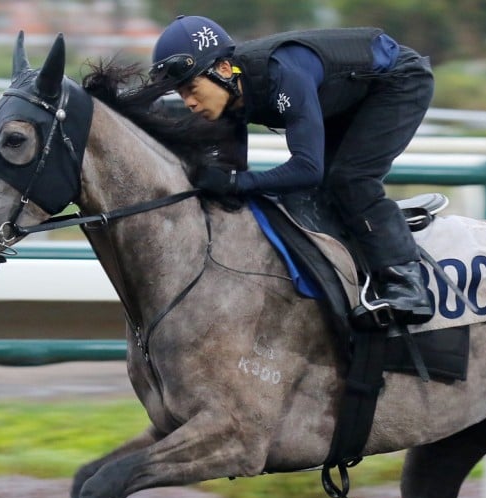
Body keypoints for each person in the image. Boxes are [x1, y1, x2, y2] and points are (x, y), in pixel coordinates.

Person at [149, 15, 435, 325]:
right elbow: (233, 181)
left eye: (191, 88)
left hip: (398, 82)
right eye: (181, 93)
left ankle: (407, 284)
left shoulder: (282, 74)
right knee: (303, 197)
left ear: (222, 69)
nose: (189, 102)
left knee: (349, 179)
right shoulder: (227, 94)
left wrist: (233, 181)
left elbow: (306, 168)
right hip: (345, 95)